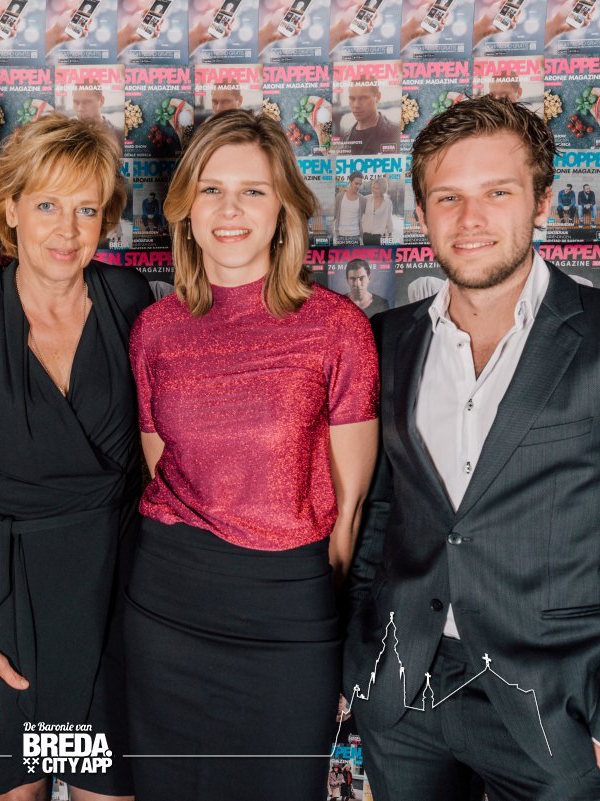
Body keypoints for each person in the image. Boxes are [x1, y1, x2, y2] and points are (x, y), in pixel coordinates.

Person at [344, 94, 600, 801]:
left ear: (541, 201)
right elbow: (379, 517)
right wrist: (359, 661)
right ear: (422, 212)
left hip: (558, 716)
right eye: (448, 197)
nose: (471, 219)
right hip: (402, 700)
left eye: (497, 192)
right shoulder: (385, 340)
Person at [125, 109, 379, 798]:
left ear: (283, 209)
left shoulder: (336, 328)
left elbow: (351, 506)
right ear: (186, 208)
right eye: (211, 189)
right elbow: (164, 468)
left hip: (288, 611)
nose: (229, 209)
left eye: (253, 191)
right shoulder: (155, 329)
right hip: (166, 605)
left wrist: (303, 600)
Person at [0, 114, 150, 800]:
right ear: (11, 209)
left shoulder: (129, 301)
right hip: (5, 611)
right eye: (47, 205)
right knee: (16, 789)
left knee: (106, 788)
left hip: (112, 602)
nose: (67, 230)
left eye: (86, 209)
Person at [345, 80, 400, 154]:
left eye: (363, 98)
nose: (356, 105)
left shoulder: (396, 132)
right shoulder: (345, 137)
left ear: (377, 97)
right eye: (352, 98)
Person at [72, 84, 124, 151]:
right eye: (76, 102)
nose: (80, 109)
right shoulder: (68, 136)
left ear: (101, 101)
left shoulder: (120, 136)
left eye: (87, 102)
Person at [361, 176, 394, 244]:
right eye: (373, 187)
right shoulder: (366, 199)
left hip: (380, 236)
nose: (374, 190)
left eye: (377, 188)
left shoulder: (388, 202)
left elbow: (389, 219)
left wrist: (390, 235)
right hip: (366, 236)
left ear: (382, 189)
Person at [335, 171, 366, 242]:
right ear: (350, 182)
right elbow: (335, 214)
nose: (358, 186)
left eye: (360, 184)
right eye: (356, 183)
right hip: (340, 235)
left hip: (355, 235)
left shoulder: (363, 199)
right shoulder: (339, 196)